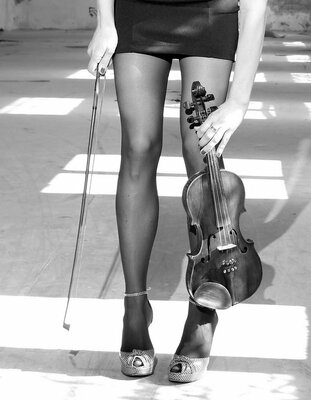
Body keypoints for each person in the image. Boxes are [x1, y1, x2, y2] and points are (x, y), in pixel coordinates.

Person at [86, 0, 268, 382]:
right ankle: (135, 309)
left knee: (201, 150)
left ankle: (202, 309)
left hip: (210, 15)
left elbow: (255, 9)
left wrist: (239, 100)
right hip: (137, 12)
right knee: (138, 146)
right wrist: (104, 21)